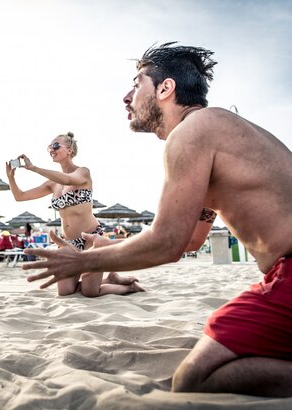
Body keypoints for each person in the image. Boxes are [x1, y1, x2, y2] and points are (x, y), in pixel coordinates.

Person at [23, 42, 292, 397]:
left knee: (194, 380)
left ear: (166, 89)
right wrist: (111, 246)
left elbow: (167, 242)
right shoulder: (218, 130)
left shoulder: (193, 131)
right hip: (283, 273)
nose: (126, 96)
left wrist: (83, 260)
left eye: (137, 84)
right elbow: (189, 241)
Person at [6, 132, 143, 297]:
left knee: (90, 292)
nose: (52, 149)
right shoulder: (52, 184)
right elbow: (20, 197)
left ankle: (130, 287)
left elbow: (68, 180)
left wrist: (33, 168)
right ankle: (110, 279)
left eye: (56, 146)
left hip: (90, 239)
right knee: (65, 292)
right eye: (50, 147)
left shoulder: (83, 172)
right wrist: (10, 178)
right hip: (67, 243)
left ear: (70, 149)